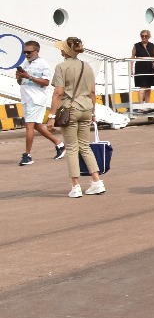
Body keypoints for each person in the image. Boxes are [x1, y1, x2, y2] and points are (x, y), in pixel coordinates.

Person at [50, 38, 102, 198]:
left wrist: (51, 116)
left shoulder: (61, 67)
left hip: (70, 109)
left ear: (66, 51)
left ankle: (76, 186)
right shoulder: (87, 66)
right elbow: (93, 91)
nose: (60, 51)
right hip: (86, 108)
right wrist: (93, 112)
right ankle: (97, 182)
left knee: (72, 148)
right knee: (85, 146)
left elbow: (58, 93)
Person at [16, 40, 64, 166]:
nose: (26, 54)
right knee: (36, 126)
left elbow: (46, 82)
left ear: (37, 51)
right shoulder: (25, 63)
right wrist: (19, 77)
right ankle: (59, 144)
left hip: (36, 98)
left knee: (29, 126)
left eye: (29, 52)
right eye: (24, 52)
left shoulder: (43, 64)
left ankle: (28, 155)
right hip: (26, 98)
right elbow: (20, 83)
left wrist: (29, 77)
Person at [131, 29, 154, 105]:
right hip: (140, 68)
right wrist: (131, 69)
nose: (144, 37)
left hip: (150, 68)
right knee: (142, 87)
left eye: (146, 36)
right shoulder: (136, 45)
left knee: (148, 87)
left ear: (149, 36)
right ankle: (141, 106)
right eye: (142, 36)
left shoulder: (152, 45)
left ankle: (147, 104)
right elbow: (132, 58)